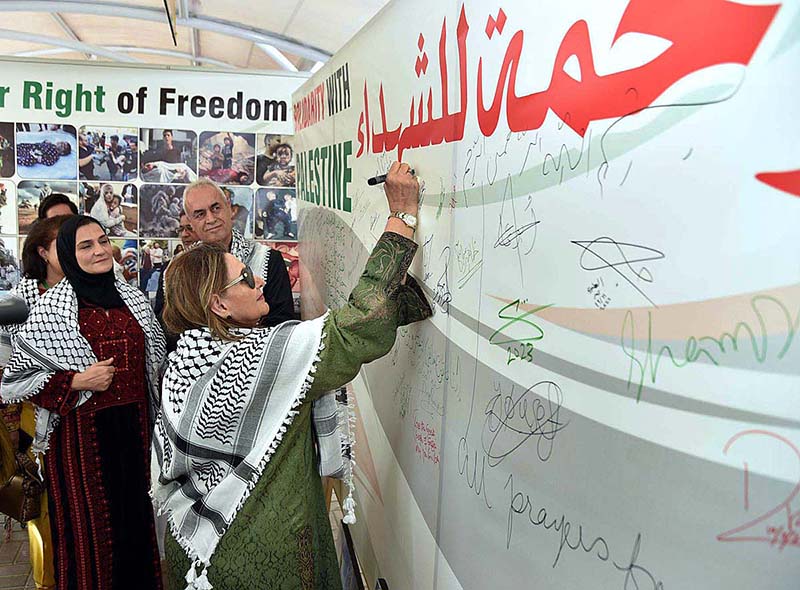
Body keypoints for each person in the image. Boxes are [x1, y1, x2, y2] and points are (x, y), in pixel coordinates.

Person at [155, 161, 429, 590]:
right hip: (261, 559)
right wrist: (402, 218)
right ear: (220, 306)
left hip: (197, 549)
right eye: (245, 279)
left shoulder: (190, 356)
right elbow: (357, 325)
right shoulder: (256, 364)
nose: (260, 279)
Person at [1, 216, 166, 590]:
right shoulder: (51, 310)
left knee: (136, 529)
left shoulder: (133, 299)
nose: (99, 251)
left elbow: (154, 362)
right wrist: (75, 381)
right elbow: (15, 381)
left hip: (136, 435)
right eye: (85, 246)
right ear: (66, 256)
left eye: (103, 241)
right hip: (80, 444)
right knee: (89, 537)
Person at [0, 215, 71, 590]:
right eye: (64, 239)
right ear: (42, 251)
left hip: (81, 414)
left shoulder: (93, 287)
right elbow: (11, 362)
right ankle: (48, 580)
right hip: (36, 417)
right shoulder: (23, 296)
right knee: (43, 505)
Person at [176, 178, 294, 326]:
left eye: (216, 208)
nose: (211, 219)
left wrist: (239, 342)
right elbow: (172, 329)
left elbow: (283, 323)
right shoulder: (177, 270)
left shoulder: (268, 259)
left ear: (229, 208)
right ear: (191, 223)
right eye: (200, 214)